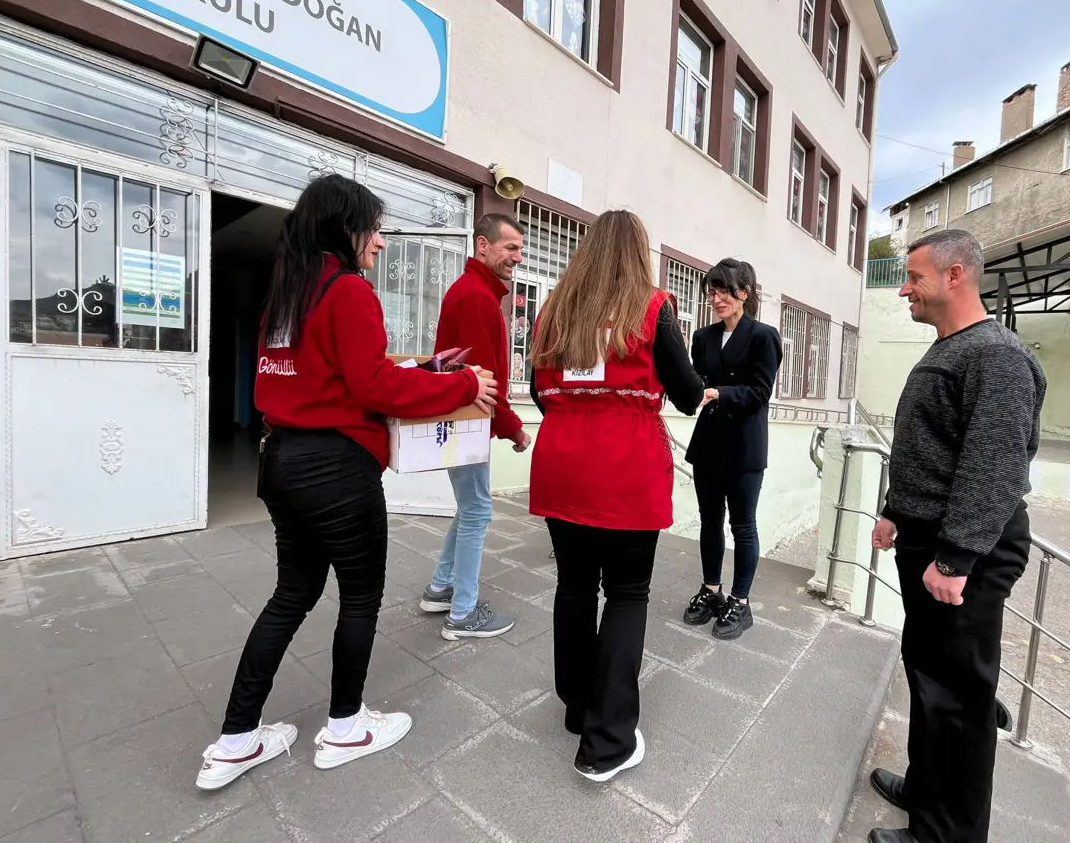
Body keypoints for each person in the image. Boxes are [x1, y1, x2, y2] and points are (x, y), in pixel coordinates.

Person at [195, 175, 497, 791]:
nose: (380, 241)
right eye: (373, 229)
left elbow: (329, 373)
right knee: (360, 597)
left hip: (281, 461)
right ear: (344, 228)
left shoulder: (287, 294)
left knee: (291, 595)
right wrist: (463, 384)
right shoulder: (349, 290)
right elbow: (375, 387)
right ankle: (345, 727)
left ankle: (234, 740)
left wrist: (425, 369)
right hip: (336, 469)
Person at [865, 229, 1046, 843]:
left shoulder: (995, 356)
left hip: (963, 555)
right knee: (929, 678)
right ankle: (926, 790)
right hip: (932, 540)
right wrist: (895, 510)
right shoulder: (955, 348)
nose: (904, 290)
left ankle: (945, 834)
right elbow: (933, 449)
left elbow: (993, 465)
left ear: (955, 275)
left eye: (913, 277)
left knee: (959, 700)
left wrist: (956, 557)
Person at [527, 210, 706, 782]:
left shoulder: (555, 309)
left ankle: (578, 708)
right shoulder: (651, 308)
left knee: (575, 586)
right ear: (637, 253)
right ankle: (608, 743)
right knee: (627, 594)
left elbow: (538, 390)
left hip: (561, 460)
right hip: (625, 464)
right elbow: (687, 393)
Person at [418, 214, 531, 640]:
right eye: (510, 248)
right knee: (478, 511)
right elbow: (484, 378)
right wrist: (514, 428)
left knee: (470, 508)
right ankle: (463, 613)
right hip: (468, 422)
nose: (517, 257)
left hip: (466, 421)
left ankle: (440, 589)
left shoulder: (475, 291)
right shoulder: (476, 297)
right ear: (483, 245)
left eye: (520, 249)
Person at [682, 259, 782, 640]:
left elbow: (759, 392)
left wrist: (718, 393)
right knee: (709, 520)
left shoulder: (764, 337)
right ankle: (712, 590)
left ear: (745, 292)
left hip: (744, 446)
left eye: (724, 290)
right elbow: (694, 381)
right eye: (712, 291)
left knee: (743, 525)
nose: (716, 298)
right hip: (708, 443)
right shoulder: (702, 337)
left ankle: (740, 601)